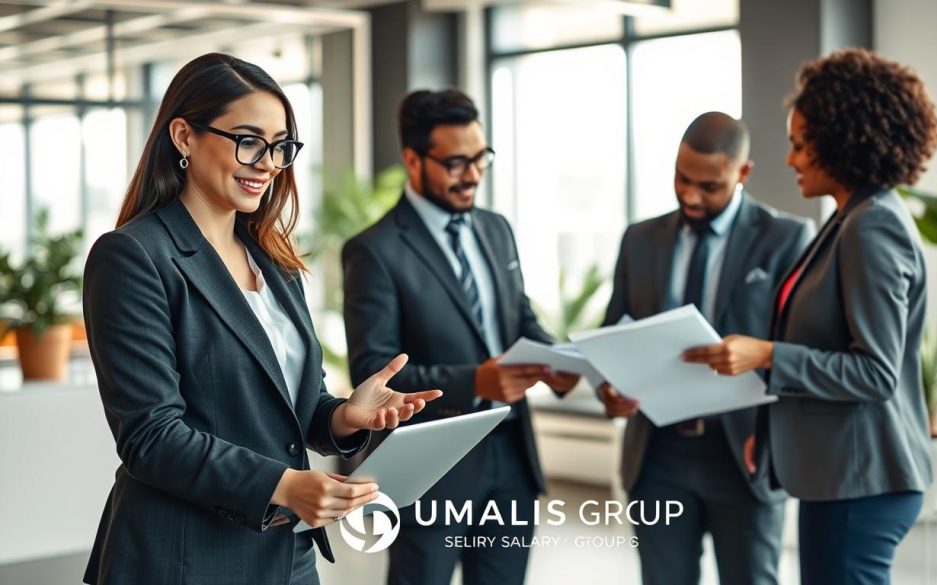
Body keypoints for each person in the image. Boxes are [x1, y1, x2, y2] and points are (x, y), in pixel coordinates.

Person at [82, 53, 441, 585]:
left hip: (285, 555)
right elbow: (151, 437)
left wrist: (343, 417)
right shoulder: (134, 257)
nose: (270, 163)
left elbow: (287, 410)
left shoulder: (274, 264)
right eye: (249, 141)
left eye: (280, 146)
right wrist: (284, 484)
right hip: (182, 558)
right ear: (184, 136)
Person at [684, 48, 937, 584]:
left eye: (801, 145)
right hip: (844, 478)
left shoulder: (872, 227)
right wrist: (771, 430)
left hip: (862, 482)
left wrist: (766, 354)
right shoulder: (850, 219)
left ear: (843, 143)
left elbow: (875, 373)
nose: (791, 160)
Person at [342, 88, 578, 585]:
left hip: (512, 457)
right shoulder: (375, 251)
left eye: (480, 158)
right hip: (432, 470)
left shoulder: (496, 229)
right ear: (412, 159)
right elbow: (374, 375)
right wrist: (476, 381)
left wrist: (562, 360)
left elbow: (518, 317)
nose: (472, 174)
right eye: (456, 162)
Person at [599, 112, 813, 585]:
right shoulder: (639, 239)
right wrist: (608, 387)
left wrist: (778, 434)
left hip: (744, 455)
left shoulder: (788, 239)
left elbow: (799, 351)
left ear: (743, 174)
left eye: (709, 186)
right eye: (681, 179)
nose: (691, 195)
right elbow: (612, 333)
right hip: (657, 455)